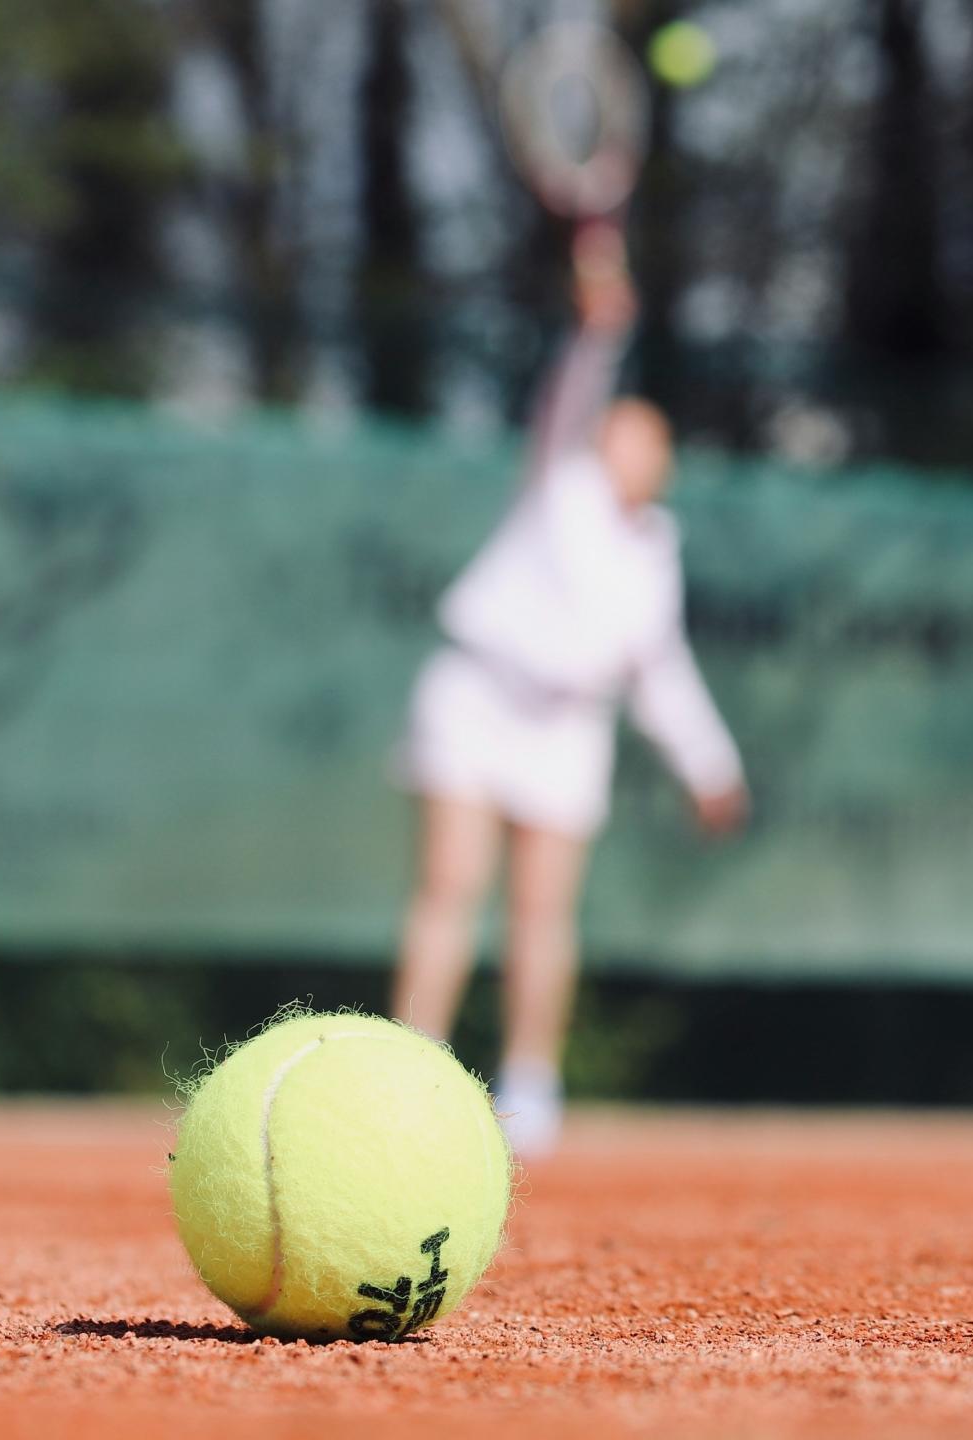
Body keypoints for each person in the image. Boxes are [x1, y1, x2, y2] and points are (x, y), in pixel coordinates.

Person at [390, 222, 748, 1158]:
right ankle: (408, 1073)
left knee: (543, 914)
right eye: (615, 431)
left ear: (662, 461)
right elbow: (574, 387)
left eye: (645, 438)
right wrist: (599, 326)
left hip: (566, 729)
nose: (625, 443)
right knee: (450, 886)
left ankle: (530, 1089)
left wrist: (710, 766)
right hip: (477, 694)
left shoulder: (654, 552)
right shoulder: (560, 478)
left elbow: (659, 670)